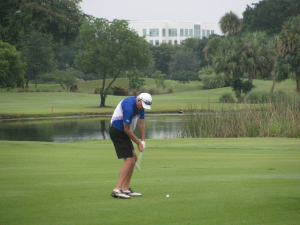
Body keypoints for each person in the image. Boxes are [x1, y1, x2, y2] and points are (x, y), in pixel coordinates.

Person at [109, 93, 152, 199]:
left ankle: (126, 189)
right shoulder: (129, 107)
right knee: (129, 160)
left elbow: (142, 123)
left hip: (124, 132)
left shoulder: (140, 106)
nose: (143, 108)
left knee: (134, 158)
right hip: (117, 131)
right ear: (138, 100)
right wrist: (138, 143)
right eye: (142, 106)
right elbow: (126, 129)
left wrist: (143, 140)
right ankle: (117, 189)